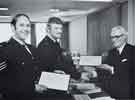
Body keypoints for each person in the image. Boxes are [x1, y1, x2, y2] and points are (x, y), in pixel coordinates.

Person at [0, 14, 46, 100]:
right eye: (21, 25)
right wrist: (32, 88)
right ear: (13, 27)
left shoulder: (32, 48)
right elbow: (3, 84)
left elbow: (36, 71)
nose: (25, 29)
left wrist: (53, 74)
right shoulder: (4, 50)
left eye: (28, 26)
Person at [99, 26, 135, 99]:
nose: (113, 40)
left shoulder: (132, 51)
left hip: (128, 94)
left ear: (125, 37)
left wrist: (111, 69)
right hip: (111, 93)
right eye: (112, 37)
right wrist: (93, 73)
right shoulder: (111, 52)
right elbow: (105, 70)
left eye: (117, 37)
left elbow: (129, 73)